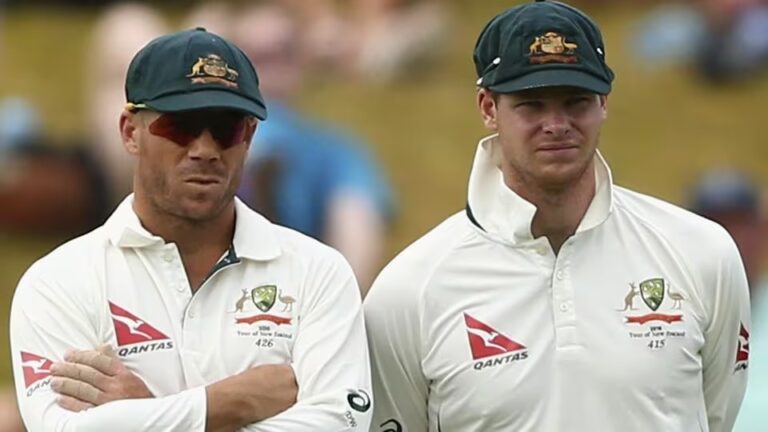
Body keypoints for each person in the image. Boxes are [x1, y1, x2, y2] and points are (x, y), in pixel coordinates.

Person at [363, 1, 751, 431]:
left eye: (576, 101)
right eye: (531, 104)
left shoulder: (702, 253)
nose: (557, 123)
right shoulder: (409, 292)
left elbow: (716, 416)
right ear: (488, 107)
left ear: (603, 102)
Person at [10, 27, 372, 431]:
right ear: (130, 132)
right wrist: (229, 402)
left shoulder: (319, 273)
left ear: (249, 136)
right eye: (180, 126)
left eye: (226, 128)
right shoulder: (58, 283)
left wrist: (148, 412)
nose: (205, 149)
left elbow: (342, 424)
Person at [231, 2, 394, 293]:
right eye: (255, 57)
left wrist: (342, 299)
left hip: (299, 284)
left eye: (284, 52)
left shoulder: (334, 147)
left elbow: (357, 217)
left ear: (302, 60)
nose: (271, 68)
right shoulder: (203, 135)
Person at [686, 169, 768, 431]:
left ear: (762, 231)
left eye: (740, 225)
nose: (730, 240)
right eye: (717, 226)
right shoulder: (677, 316)